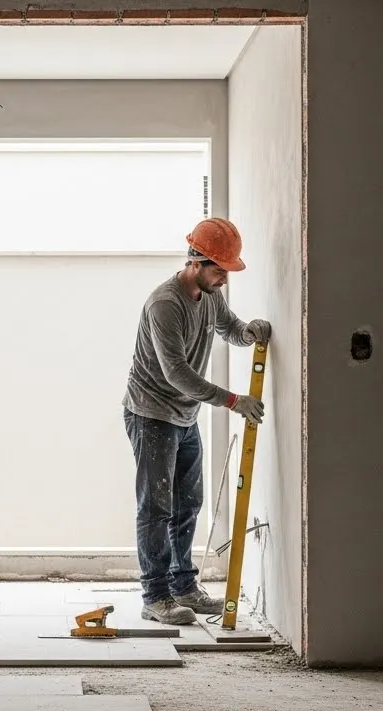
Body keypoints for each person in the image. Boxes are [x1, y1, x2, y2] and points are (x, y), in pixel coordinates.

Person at [121, 217, 270, 625]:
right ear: (195, 261)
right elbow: (177, 374)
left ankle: (183, 586)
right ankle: (155, 597)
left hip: (185, 416)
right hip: (151, 414)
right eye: (219, 269)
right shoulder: (165, 304)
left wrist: (249, 333)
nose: (224, 278)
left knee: (189, 502)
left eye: (227, 270)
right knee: (156, 507)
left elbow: (230, 327)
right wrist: (232, 400)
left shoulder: (211, 295)